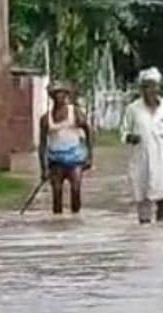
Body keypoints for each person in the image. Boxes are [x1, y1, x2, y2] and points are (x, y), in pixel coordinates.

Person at [121, 66, 163, 224]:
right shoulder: (133, 109)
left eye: (153, 86)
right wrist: (130, 137)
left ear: (158, 88)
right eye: (146, 86)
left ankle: (162, 231)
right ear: (141, 89)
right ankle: (145, 232)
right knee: (143, 199)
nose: (150, 90)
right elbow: (123, 132)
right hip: (141, 161)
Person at [38, 81, 93, 215]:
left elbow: (88, 131)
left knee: (75, 189)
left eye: (61, 93)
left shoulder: (75, 113)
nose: (59, 97)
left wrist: (89, 156)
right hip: (55, 161)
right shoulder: (46, 119)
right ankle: (57, 220)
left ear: (66, 95)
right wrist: (43, 169)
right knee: (56, 193)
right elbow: (42, 145)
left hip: (75, 160)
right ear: (52, 97)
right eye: (56, 94)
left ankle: (76, 217)